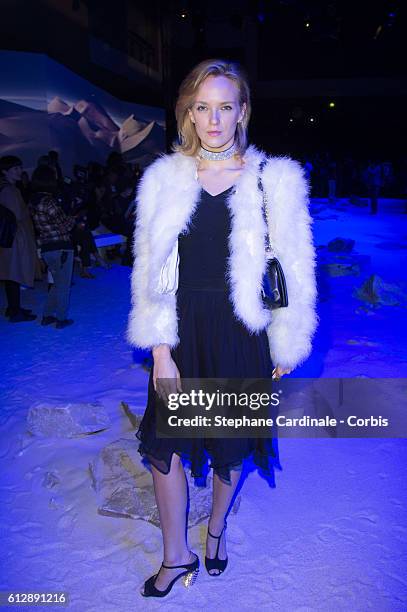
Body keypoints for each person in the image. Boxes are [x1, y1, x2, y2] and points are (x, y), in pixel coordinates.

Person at [127, 59, 317, 598]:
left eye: (225, 107)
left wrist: (286, 338)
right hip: (181, 332)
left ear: (242, 112)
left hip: (241, 332)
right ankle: (175, 554)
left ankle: (214, 530)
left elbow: (294, 267)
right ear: (188, 112)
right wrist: (161, 352)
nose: (214, 119)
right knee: (164, 446)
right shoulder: (164, 178)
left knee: (230, 446)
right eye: (202, 107)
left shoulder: (274, 180)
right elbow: (149, 271)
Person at [30, 165, 76, 328]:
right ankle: (61, 319)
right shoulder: (49, 202)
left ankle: (47, 316)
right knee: (63, 286)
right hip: (61, 247)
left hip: (47, 248)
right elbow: (65, 225)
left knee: (57, 284)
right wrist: (73, 218)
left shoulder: (33, 202)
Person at [0, 156, 37, 323]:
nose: (19, 171)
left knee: (10, 273)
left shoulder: (6, 188)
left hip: (9, 237)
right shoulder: (9, 190)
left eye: (20, 167)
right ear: (5, 171)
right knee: (14, 274)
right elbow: (16, 216)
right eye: (15, 169)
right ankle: (15, 312)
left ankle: (13, 308)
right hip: (15, 238)